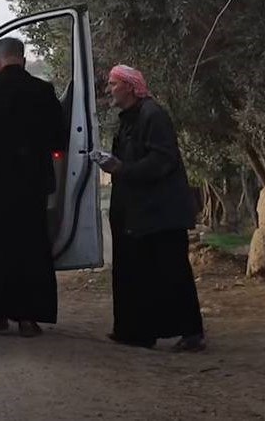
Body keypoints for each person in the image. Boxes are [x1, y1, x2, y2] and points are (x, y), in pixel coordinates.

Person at [0, 37, 65, 337]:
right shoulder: (43, 91)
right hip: (32, 184)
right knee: (31, 246)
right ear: (24, 59)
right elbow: (59, 136)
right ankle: (29, 318)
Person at [97, 64, 205, 352]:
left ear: (130, 87)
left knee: (172, 272)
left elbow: (162, 159)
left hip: (161, 212)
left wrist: (123, 168)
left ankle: (191, 333)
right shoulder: (131, 118)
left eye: (113, 84)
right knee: (138, 272)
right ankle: (136, 331)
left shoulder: (153, 116)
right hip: (140, 211)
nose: (109, 90)